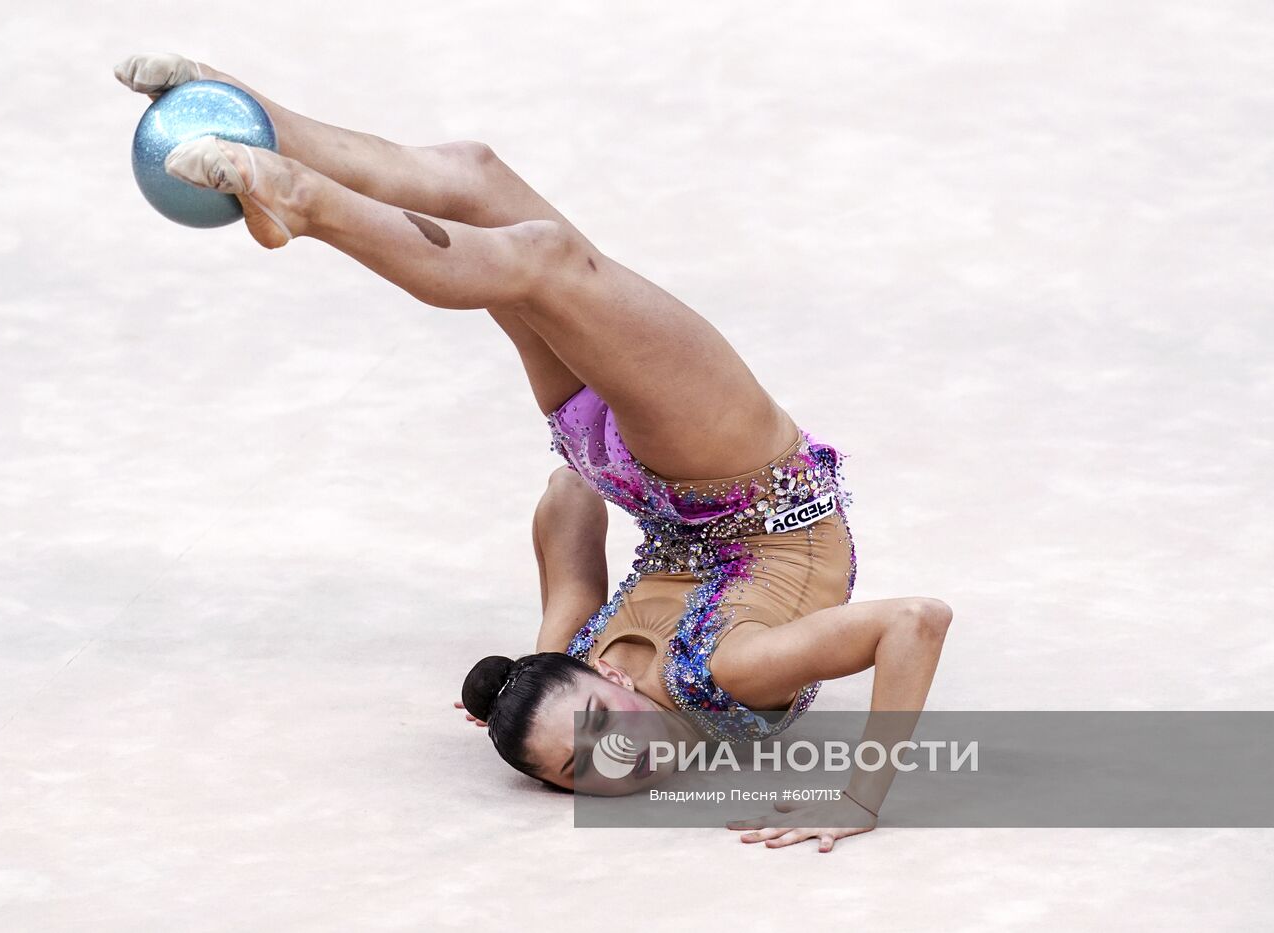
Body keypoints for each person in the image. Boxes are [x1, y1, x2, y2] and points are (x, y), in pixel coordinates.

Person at [114, 52, 955, 851]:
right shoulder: (722, 669)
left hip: (697, 475)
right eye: (581, 762)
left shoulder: (576, 650)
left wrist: (589, 602)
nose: (608, 759)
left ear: (605, 680)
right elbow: (915, 620)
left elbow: (565, 503)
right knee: (489, 194)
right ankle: (260, 140)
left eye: (577, 747)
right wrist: (859, 798)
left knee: (536, 254)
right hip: (697, 477)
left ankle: (285, 170)